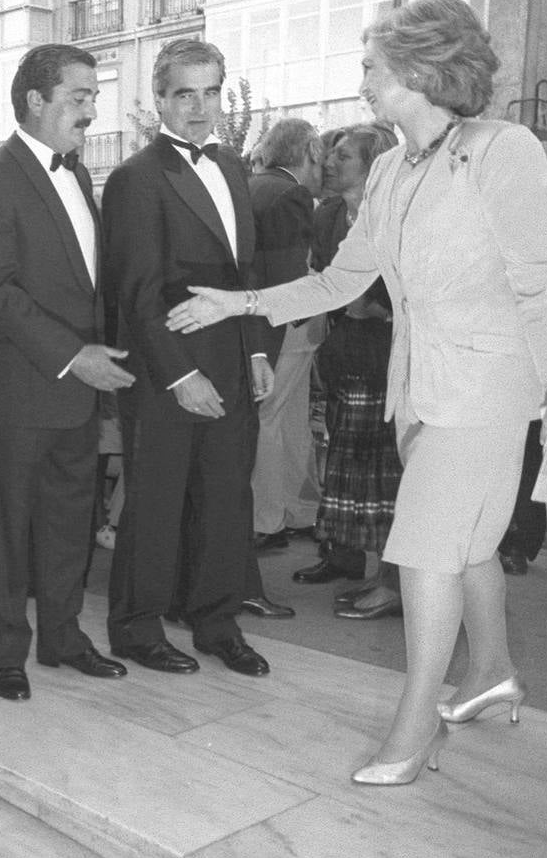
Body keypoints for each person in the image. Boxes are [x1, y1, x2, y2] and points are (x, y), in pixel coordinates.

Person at [167, 0, 547, 784]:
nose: (360, 81)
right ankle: (492, 670)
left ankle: (417, 723)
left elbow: (538, 281)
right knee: (464, 548)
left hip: (489, 388)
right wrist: (243, 303)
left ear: (421, 69)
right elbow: (340, 280)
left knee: (428, 549)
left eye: (371, 66)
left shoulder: (505, 149)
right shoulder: (392, 167)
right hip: (417, 390)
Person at [0, 44, 133, 702]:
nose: (91, 109)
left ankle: (62, 636)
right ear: (36, 100)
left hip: (79, 393)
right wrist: (72, 355)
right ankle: (4, 649)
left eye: (93, 96)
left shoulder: (80, 175)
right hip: (19, 387)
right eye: (79, 96)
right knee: (9, 528)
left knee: (69, 521)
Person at [101, 38, 275, 678]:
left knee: (227, 499)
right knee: (156, 503)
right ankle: (137, 627)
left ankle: (215, 621)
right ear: (160, 99)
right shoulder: (134, 179)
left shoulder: (232, 166)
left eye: (211, 93)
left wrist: (255, 346)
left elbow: (244, 269)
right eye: (185, 94)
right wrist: (180, 374)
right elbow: (137, 293)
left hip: (231, 358)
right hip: (166, 371)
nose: (200, 108)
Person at [299, 123, 407, 620]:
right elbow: (326, 281)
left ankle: (393, 584)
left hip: (392, 355)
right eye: (330, 154)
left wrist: (376, 305)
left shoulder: (399, 212)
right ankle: (352, 562)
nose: (329, 163)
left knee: (388, 477)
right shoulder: (326, 215)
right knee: (348, 467)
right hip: (347, 350)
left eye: (343, 156)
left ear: (374, 162)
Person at [247, 118, 325, 554]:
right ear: (310, 151)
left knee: (285, 419)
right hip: (287, 325)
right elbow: (289, 275)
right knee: (279, 419)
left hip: (269, 325)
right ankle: (277, 517)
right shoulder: (290, 193)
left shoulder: (253, 185)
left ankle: (289, 512)